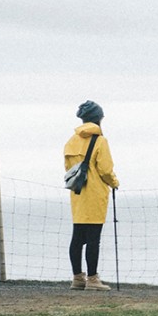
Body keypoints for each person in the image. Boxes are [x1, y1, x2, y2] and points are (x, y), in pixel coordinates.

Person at [63, 101, 119, 290]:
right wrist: (114, 183)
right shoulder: (100, 141)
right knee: (94, 238)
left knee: (77, 237)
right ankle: (93, 279)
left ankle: (77, 278)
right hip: (94, 194)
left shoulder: (72, 141)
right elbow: (105, 170)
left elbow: (68, 169)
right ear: (99, 118)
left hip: (78, 193)